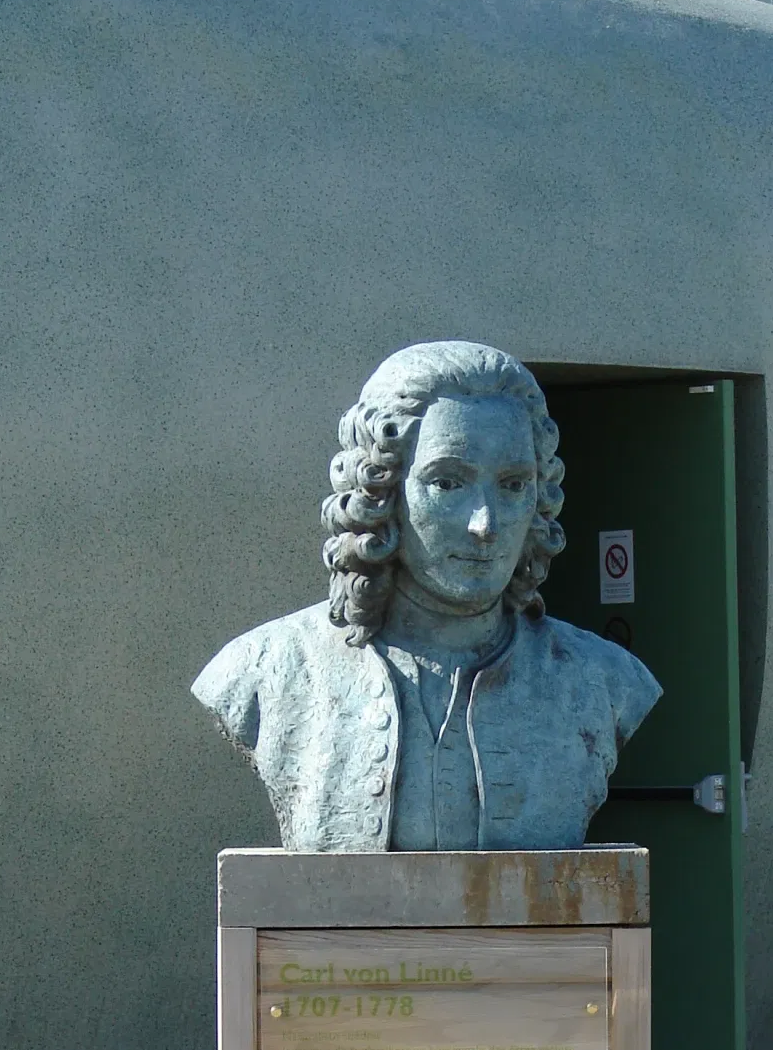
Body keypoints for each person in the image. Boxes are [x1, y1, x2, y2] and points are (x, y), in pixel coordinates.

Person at [191, 341, 660, 851]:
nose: (485, 523)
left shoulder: (603, 681)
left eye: (512, 484)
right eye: (448, 482)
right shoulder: (267, 670)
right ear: (382, 491)